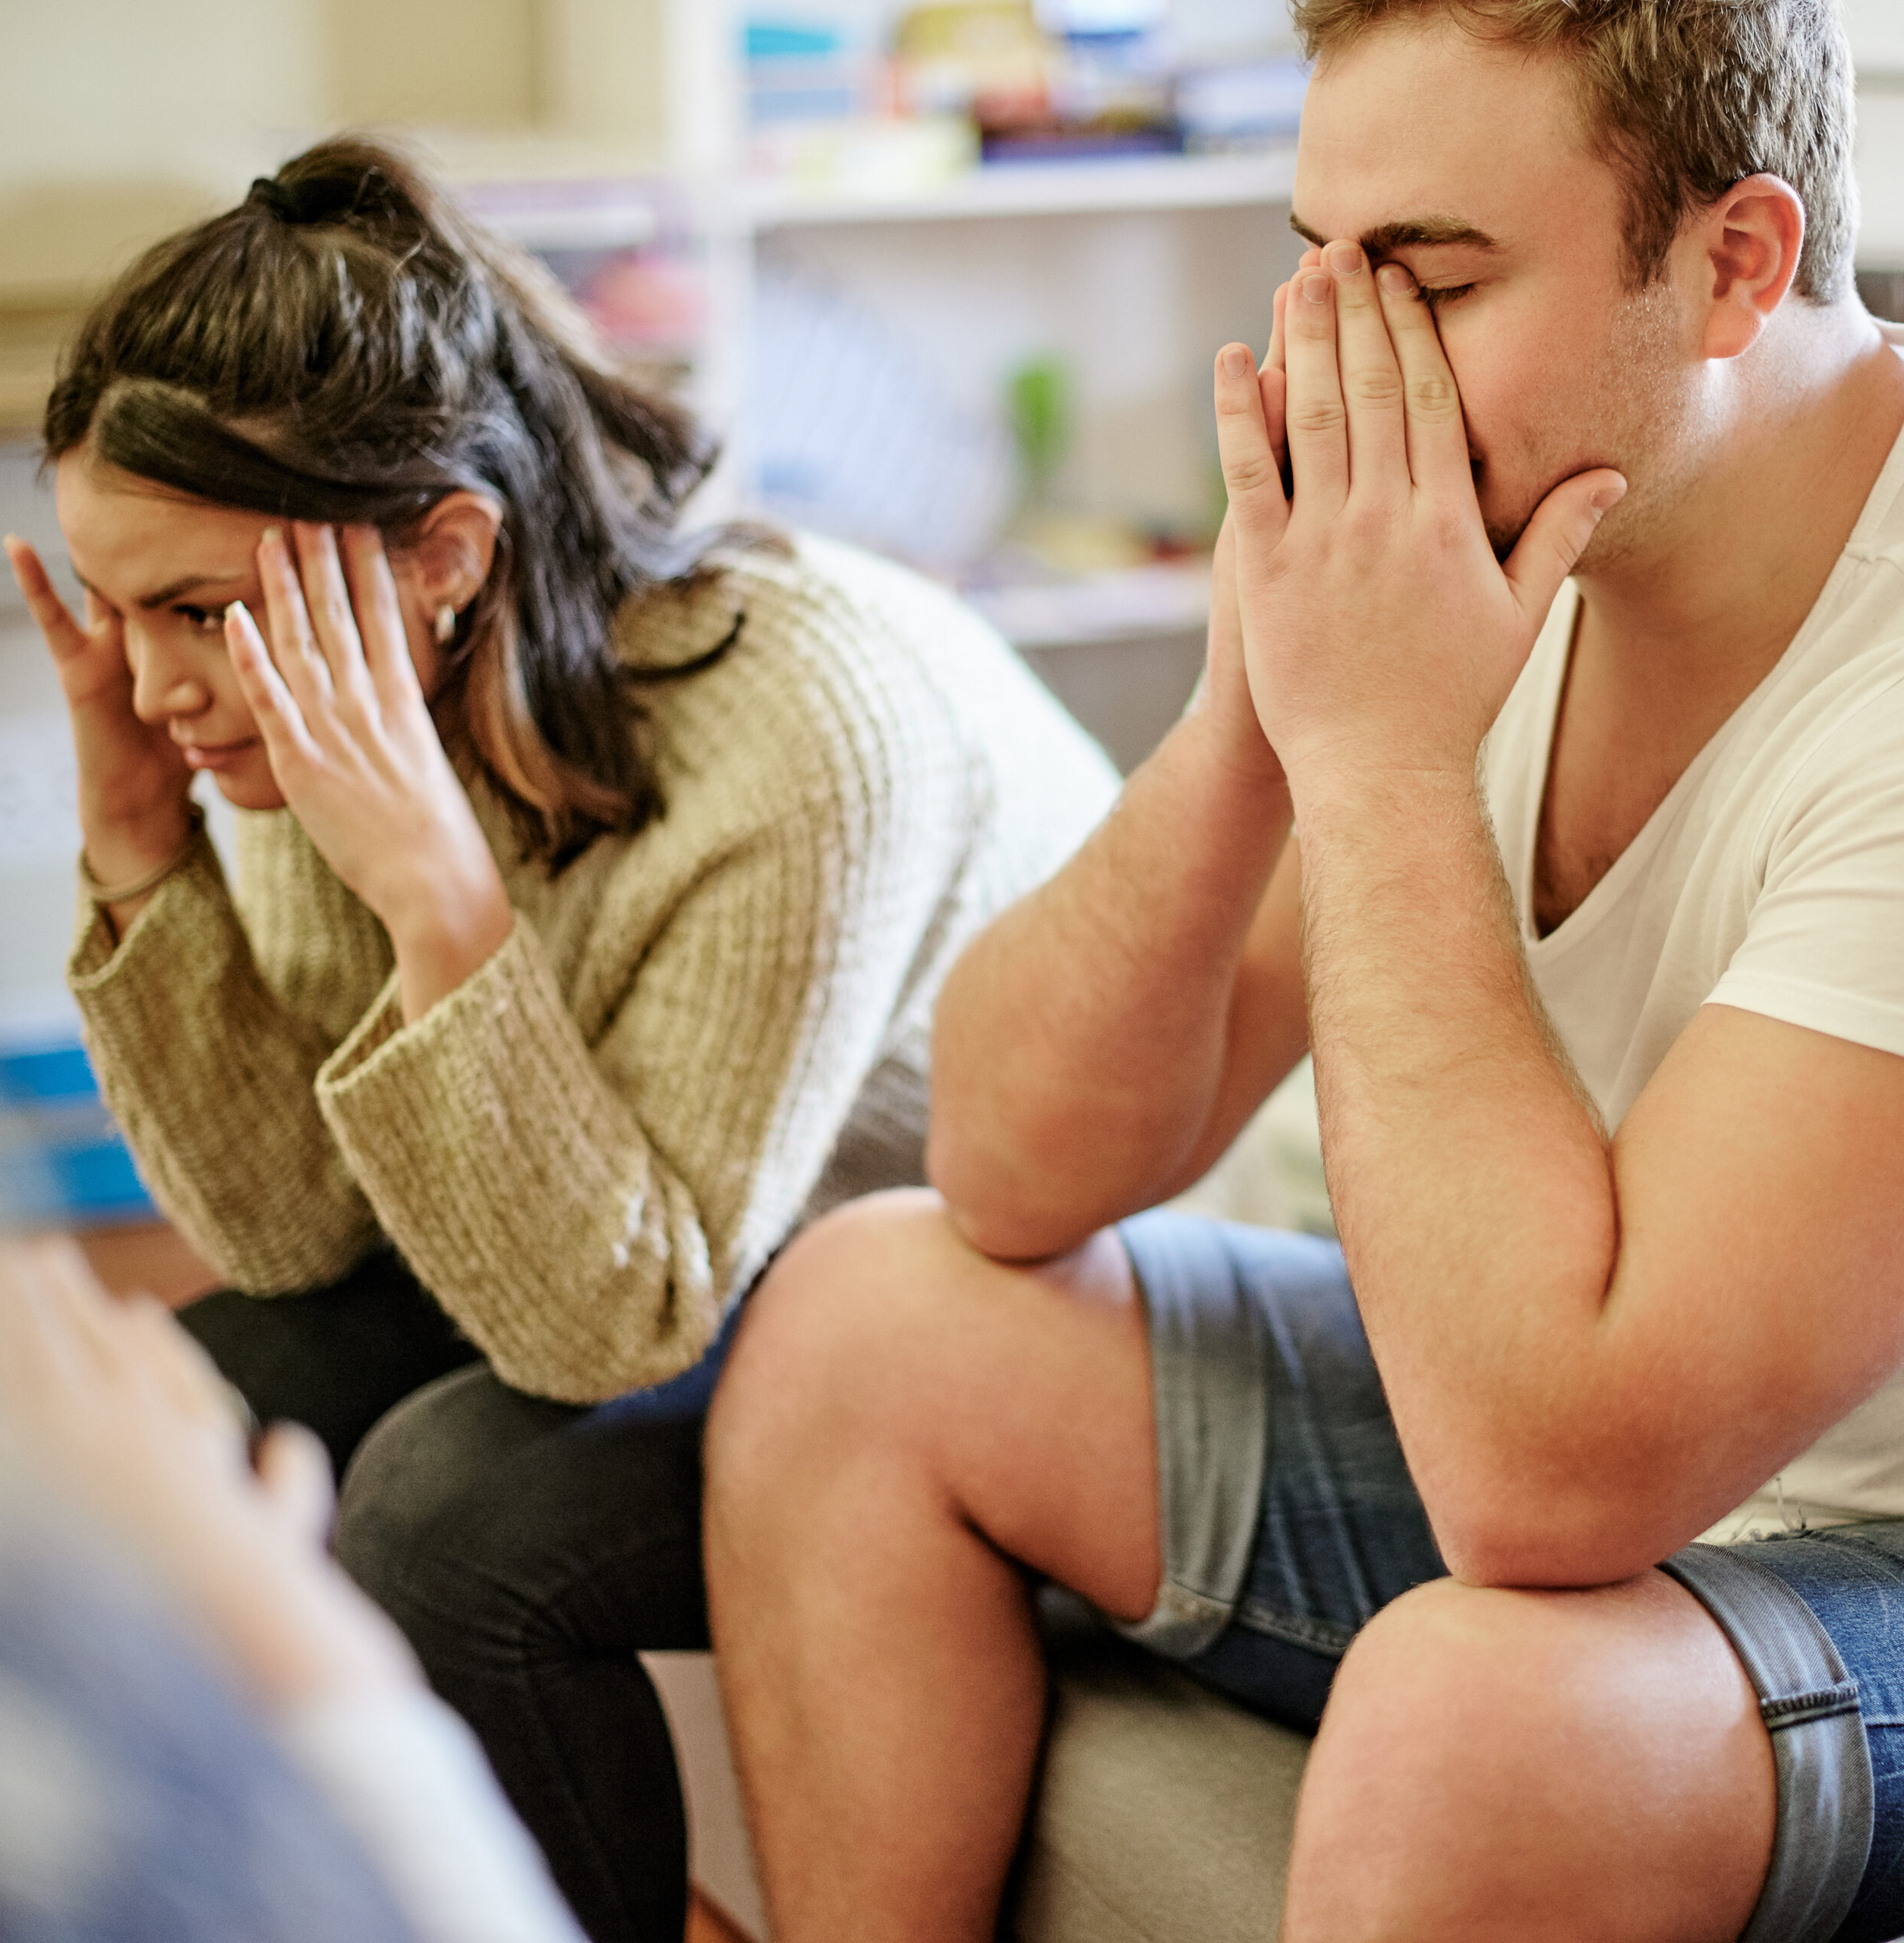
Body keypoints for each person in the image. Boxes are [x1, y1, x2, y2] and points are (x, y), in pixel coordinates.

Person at [703, 2, 1904, 1939]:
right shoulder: (1481, 547)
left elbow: (1539, 1483)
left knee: (1474, 1720)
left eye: (1426, 282)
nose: (1326, 374)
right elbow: (1012, 1164)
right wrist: (1248, 715)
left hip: (1872, 1543)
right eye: (1314, 268)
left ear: (1732, 265)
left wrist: (1379, 764)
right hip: (1567, 1413)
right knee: (867, 1315)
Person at [2, 137, 1117, 1943]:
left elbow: (610, 1320)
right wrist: (146, 856)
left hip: (987, 1294)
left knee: (453, 1517)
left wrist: (440, 903)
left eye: (197, 612)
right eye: (116, 607)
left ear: (445, 550)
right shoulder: (326, 700)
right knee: (212, 1397)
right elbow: (296, 1229)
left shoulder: (805, 728)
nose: (148, 686)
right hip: (662, 1235)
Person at [0, 1233, 585, 1943]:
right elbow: (280, 1241)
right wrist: (295, 1643)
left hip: (604, 1311)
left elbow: (594, 1328)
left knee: (428, 1511)